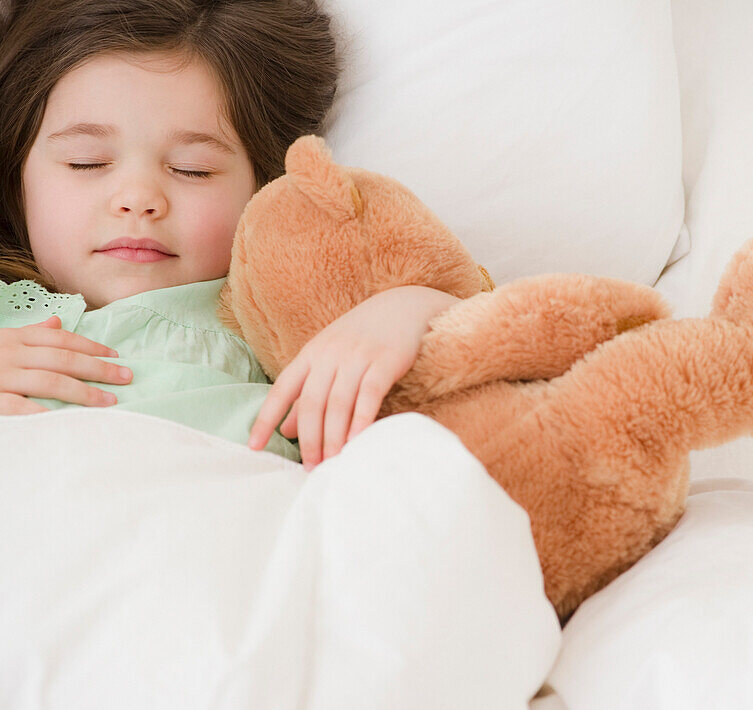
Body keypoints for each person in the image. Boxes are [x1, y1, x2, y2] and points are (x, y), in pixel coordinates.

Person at [0, 0, 461, 470]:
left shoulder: (280, 315)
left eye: (192, 170)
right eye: (87, 162)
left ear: (260, 185)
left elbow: (492, 354)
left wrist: (411, 308)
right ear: (17, 179)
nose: (138, 198)